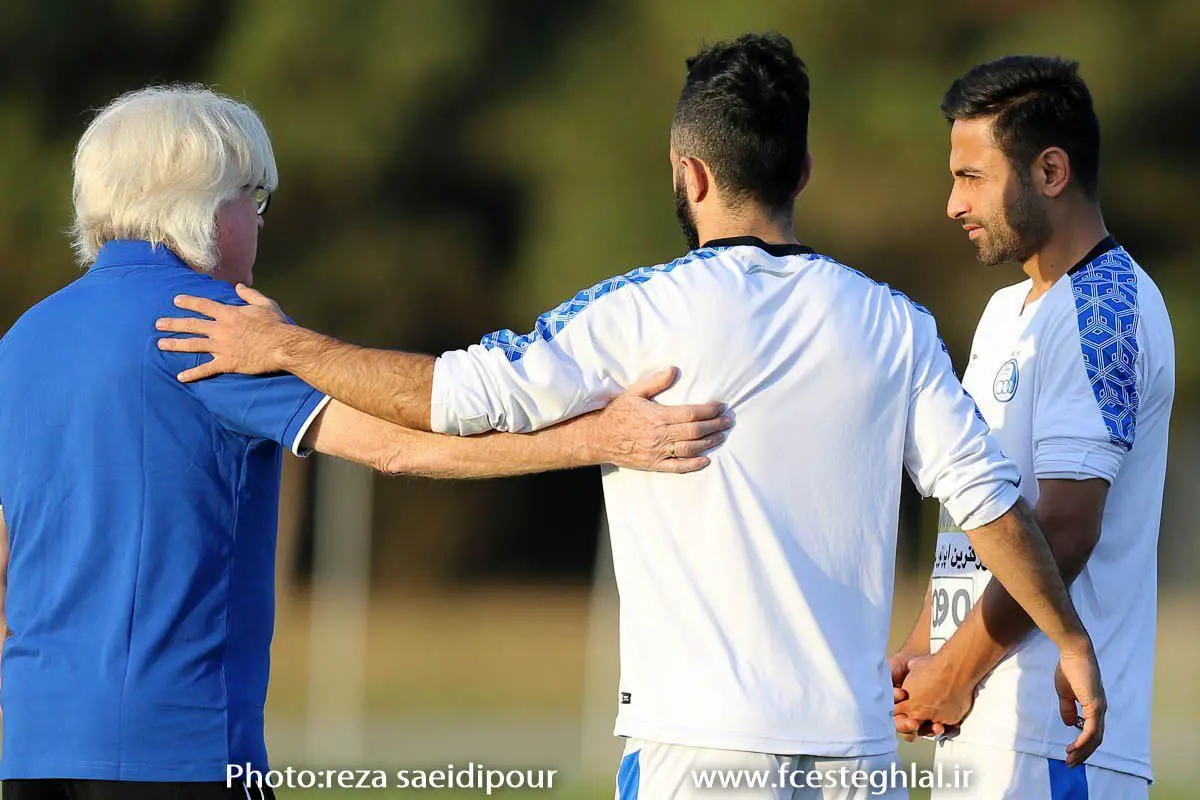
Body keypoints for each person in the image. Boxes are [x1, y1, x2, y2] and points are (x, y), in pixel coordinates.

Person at [158, 35, 1107, 799]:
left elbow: (455, 398)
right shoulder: (893, 323)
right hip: (854, 760)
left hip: (694, 754)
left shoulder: (632, 311)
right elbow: (991, 505)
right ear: (804, 169)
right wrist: (1068, 639)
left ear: (689, 174)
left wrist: (292, 348)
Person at [0, 85, 731, 800]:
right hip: (177, 749)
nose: (258, 225)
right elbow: (397, 447)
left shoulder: (25, 338)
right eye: (252, 201)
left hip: (32, 745)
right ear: (205, 209)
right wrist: (597, 437)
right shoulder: (211, 325)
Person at [889, 57, 1174, 799]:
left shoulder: (1105, 309)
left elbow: (1067, 528)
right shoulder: (1005, 311)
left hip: (1057, 745)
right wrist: (924, 654)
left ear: (1051, 170)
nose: (952, 203)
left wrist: (955, 672)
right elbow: (982, 518)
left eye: (972, 176)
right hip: (985, 732)